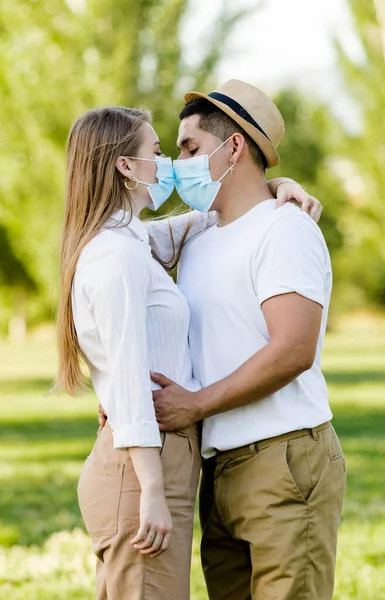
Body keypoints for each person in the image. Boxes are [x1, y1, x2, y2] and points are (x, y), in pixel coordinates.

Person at [57, 106, 321, 599]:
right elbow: (131, 384)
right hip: (146, 466)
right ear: (126, 167)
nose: (173, 166)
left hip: (169, 458)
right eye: (159, 153)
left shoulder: (134, 239)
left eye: (184, 150)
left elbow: (210, 217)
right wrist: (152, 491)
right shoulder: (115, 255)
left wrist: (275, 186)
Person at [147, 80, 346, 600]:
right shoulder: (198, 233)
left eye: (190, 149)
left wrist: (193, 405)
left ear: (233, 147)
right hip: (220, 468)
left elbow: (292, 350)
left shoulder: (285, 229)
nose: (179, 164)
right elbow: (111, 244)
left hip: (283, 459)